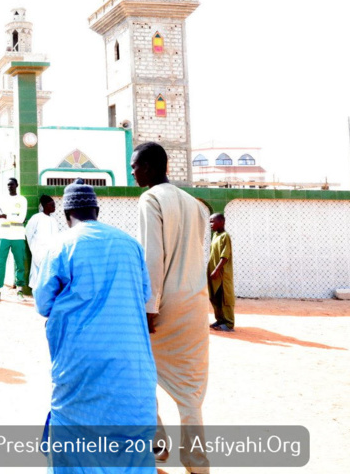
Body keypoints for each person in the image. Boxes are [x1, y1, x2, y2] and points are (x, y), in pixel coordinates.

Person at [35, 181, 157, 472]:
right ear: (97, 210)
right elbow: (144, 295)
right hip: (132, 365)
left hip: (81, 364)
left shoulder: (61, 246)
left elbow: (43, 304)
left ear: (67, 214)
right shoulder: (131, 245)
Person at [131, 141, 210, 473]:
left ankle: (158, 442)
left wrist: (150, 307)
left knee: (143, 374)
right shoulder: (196, 204)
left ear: (149, 167)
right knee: (190, 387)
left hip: (164, 306)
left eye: (135, 166)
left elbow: (153, 257)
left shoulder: (150, 199)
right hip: (195, 304)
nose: (132, 171)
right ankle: (197, 461)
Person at [0, 177, 28, 301]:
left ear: (17, 185)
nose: (10, 187)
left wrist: (6, 215)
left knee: (19, 263)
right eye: (8, 185)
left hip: (18, 235)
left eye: (12, 185)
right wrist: (13, 216)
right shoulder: (2, 199)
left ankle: (19, 291)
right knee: (0, 263)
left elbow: (22, 218)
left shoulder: (22, 200)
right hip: (3, 234)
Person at [208, 213, 235, 332]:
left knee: (225, 298)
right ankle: (220, 319)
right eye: (210, 222)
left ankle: (228, 324)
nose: (210, 224)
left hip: (222, 274)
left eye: (212, 221)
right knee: (215, 297)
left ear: (222, 222)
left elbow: (225, 256)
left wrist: (216, 270)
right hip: (213, 273)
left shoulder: (225, 236)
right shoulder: (215, 236)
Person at [25, 194, 58, 290]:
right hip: (39, 250)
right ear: (46, 205)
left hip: (51, 251)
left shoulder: (53, 220)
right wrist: (34, 248)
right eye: (52, 205)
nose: (54, 207)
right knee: (38, 273)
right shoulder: (37, 217)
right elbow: (28, 232)